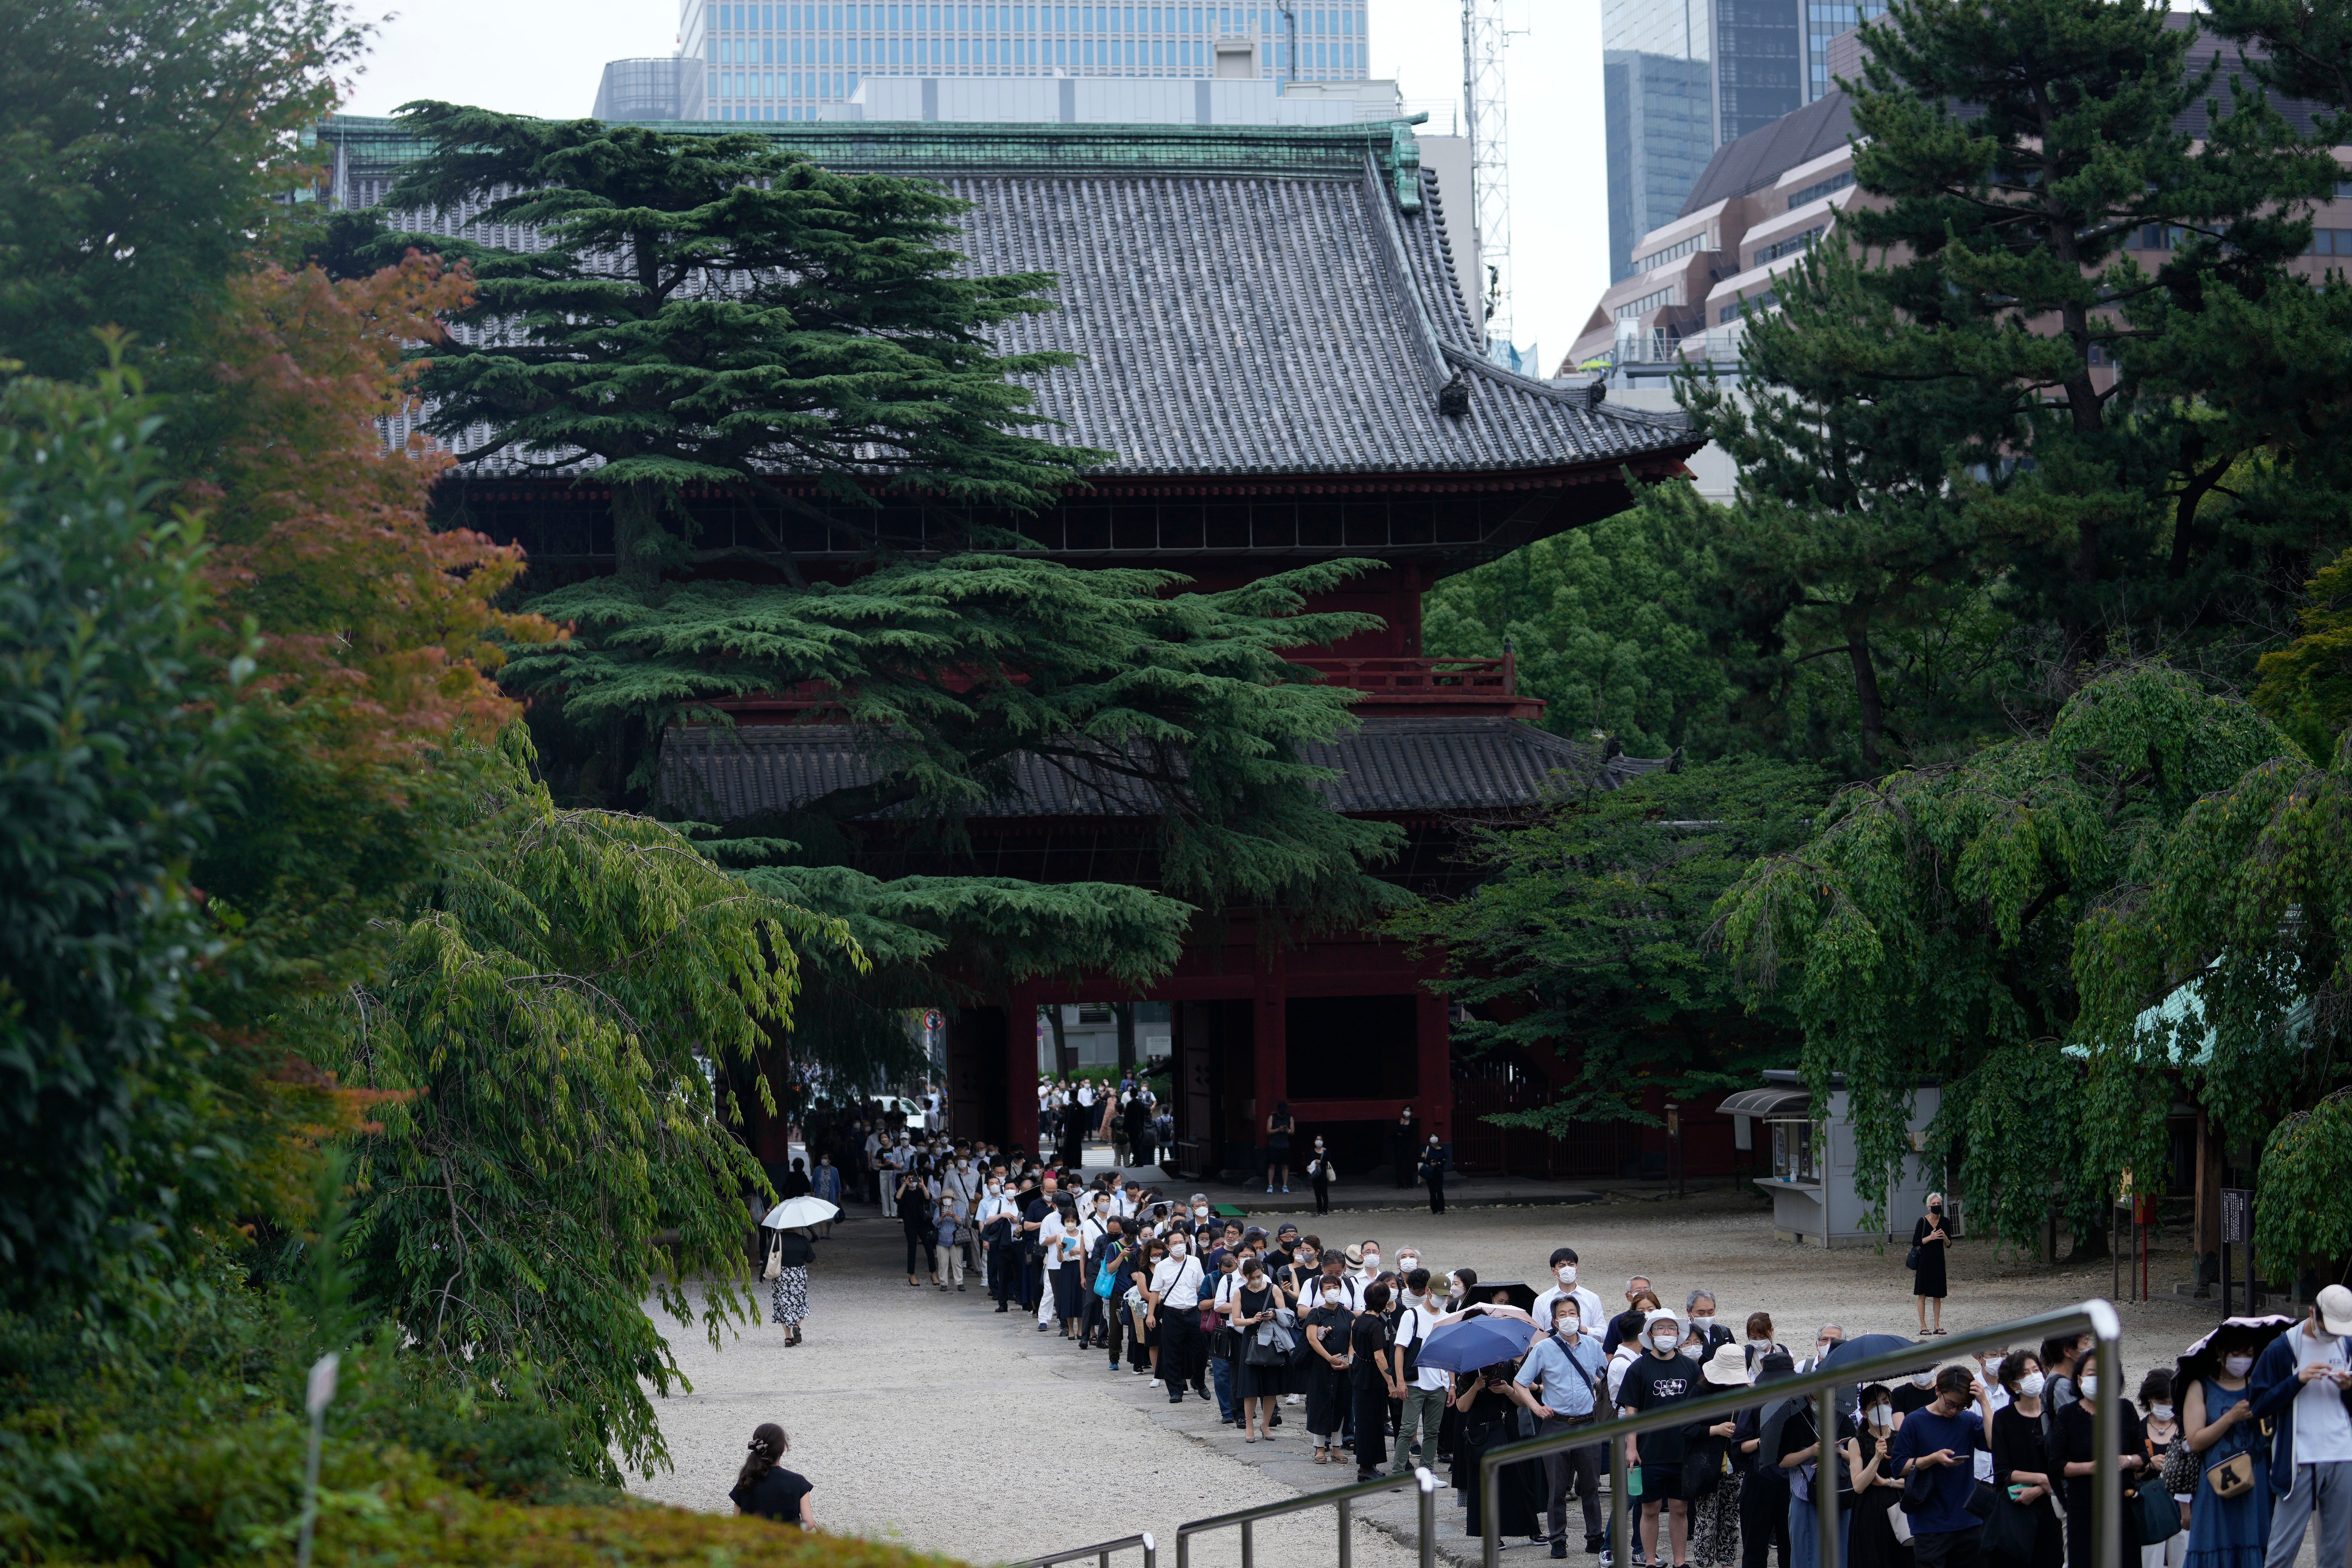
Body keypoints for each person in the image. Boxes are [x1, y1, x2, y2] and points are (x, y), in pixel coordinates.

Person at [2247, 1284, 2352, 1568]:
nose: (2333, 1334)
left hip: (2343, 1455)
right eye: (2327, 1326)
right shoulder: (2283, 1348)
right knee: (2282, 1552)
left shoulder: (2347, 1343)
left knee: (2337, 1552)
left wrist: (2348, 1388)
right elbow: (2257, 1405)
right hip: (2299, 1461)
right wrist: (2298, 1380)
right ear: (2311, 1313)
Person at [1516, 1296, 1612, 1558]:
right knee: (1557, 1488)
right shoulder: (1544, 1349)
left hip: (1588, 1425)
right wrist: (1536, 1408)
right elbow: (1520, 1383)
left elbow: (1609, 1379)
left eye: (1573, 1312)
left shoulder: (1593, 1346)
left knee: (1591, 1486)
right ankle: (1558, 1539)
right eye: (1563, 1314)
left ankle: (1595, 1537)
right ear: (1555, 1320)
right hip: (1555, 1425)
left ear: (1580, 1318)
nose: (1569, 1317)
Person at [2182, 1325, 2275, 1568]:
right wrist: (2230, 1418)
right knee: (2214, 1544)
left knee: (2256, 1544)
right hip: (2217, 1481)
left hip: (2257, 1483)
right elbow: (2194, 1441)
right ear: (2221, 1353)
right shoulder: (2200, 1387)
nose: (2243, 1360)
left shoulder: (2260, 1385)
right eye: (2237, 1354)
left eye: (2249, 1353)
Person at [1621, 1308, 1701, 1568]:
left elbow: (1700, 1409)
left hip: (1683, 1451)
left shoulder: (1691, 1368)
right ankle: (1651, 1562)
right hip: (1649, 1451)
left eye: (1671, 1329)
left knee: (1680, 1509)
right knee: (1650, 1509)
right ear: (1650, 1334)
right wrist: (1631, 1448)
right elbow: (1630, 1412)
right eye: (1660, 1328)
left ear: (1679, 1334)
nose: (1666, 1333)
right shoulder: (1638, 1369)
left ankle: (1680, 1562)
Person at [1892, 1365, 1995, 1568]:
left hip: (1968, 1521)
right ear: (1938, 1391)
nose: (1954, 1410)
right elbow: (1898, 1467)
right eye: (1950, 1404)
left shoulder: (1967, 1420)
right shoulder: (1914, 1421)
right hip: (1929, 1524)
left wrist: (1984, 1402)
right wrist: (1932, 1459)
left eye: (1961, 1406)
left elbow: (1994, 1444)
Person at [2055, 1349, 2146, 1568]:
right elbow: (2056, 1464)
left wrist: (2127, 1461)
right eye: (2092, 1373)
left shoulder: (2125, 1409)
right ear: (2079, 1380)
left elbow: (2143, 1455)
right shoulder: (2067, 1414)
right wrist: (2092, 1467)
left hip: (2122, 1504)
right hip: (2082, 1507)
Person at [1989, 1350, 2064, 1568]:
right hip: (2018, 1507)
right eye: (2026, 1374)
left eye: (2036, 1370)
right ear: (2014, 1385)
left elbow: (2064, 1463)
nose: (2034, 1376)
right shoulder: (2004, 1418)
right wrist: (2041, 1478)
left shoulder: (2056, 1415)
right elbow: (2002, 1471)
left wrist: (2041, 1488)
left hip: (2053, 1506)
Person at [1689, 1345, 1753, 1568]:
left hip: (1736, 1464)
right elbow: (1686, 1428)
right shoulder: (1701, 1391)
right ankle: (1704, 1564)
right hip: (1706, 1462)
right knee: (1706, 1518)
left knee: (1730, 1519)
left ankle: (1727, 1563)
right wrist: (1716, 1429)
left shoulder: (1746, 1392)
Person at [1735, 1351, 1796, 1568]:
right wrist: (1763, 1440)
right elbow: (1740, 1446)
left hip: (1794, 1482)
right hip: (1760, 1479)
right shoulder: (1754, 1401)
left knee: (1791, 1549)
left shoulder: (1802, 1402)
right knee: (1754, 1548)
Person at [1847, 1382, 1912, 1568]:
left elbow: (1913, 1480)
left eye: (1886, 1402)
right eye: (1876, 1404)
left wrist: (1887, 1483)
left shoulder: (1902, 1437)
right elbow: (1858, 1486)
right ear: (1865, 1412)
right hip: (1870, 1511)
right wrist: (1876, 1458)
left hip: (1900, 1506)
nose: (1882, 1407)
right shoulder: (1857, 1442)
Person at [1393, 1269, 1449, 1476]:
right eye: (1438, 1295)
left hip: (1439, 1383)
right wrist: (1400, 1381)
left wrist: (1451, 1384)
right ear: (1428, 1291)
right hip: (1416, 1382)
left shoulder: (1448, 1318)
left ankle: (1427, 1471)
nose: (1441, 1300)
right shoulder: (1412, 1315)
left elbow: (1449, 1355)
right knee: (1408, 1430)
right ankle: (1398, 1472)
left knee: (1433, 1432)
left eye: (1445, 1296)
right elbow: (1400, 1349)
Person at [1148, 1229, 1207, 1405]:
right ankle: (1175, 1390)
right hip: (1172, 1313)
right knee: (1172, 1354)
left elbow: (1200, 1287)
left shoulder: (1195, 1262)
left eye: (1182, 1242)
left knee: (1201, 1351)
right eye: (1175, 1243)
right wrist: (1150, 1314)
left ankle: (1199, 1381)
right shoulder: (1162, 1267)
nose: (1179, 1246)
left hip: (1193, 1312)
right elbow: (1155, 1291)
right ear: (1168, 1247)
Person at [1230, 1256, 1284, 1442]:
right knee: (1250, 1387)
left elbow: (1284, 1314)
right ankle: (1250, 1427)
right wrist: (1252, 1320)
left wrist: (1273, 1314)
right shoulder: (1239, 1292)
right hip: (1251, 1339)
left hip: (1270, 1339)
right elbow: (1236, 1319)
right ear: (1246, 1276)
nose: (1257, 1279)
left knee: (1271, 1387)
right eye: (1252, 1277)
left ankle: (1266, 1425)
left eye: (1259, 1275)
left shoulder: (1273, 1288)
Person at [1351, 1279, 1401, 1480]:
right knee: (1371, 1422)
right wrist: (1391, 1383)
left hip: (1360, 1372)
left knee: (1365, 1422)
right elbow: (1380, 1357)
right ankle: (1366, 1468)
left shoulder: (1361, 1320)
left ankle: (1368, 1465)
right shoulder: (1375, 1326)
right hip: (1372, 1377)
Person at [1306, 1274, 1357, 1463]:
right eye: (1328, 1288)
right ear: (1321, 1292)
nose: (1332, 1291)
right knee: (1320, 1405)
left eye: (1335, 1287)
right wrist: (1329, 1358)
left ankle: (1337, 1447)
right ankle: (1320, 1447)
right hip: (1320, 1366)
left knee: (1341, 1404)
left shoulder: (1349, 1315)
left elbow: (1353, 1342)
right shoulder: (1316, 1313)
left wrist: (1348, 1361)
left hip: (1343, 1367)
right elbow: (1312, 1339)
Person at [2141, 1369, 2187, 1568]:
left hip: (2182, 1507)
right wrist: (2148, 1464)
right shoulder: (2138, 1429)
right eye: (2162, 1401)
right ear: (2150, 1399)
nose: (2168, 1407)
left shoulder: (2187, 1427)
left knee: (2183, 1561)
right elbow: (2126, 1471)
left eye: (2171, 1402)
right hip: (2151, 1509)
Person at [730, 1422, 813, 1528]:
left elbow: (735, 1524)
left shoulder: (747, 1479)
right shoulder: (798, 1482)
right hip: (787, 1543)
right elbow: (809, 1524)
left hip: (751, 1543)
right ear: (783, 1449)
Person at [1536, 1248, 1607, 1338]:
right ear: (1554, 1271)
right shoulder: (1542, 1301)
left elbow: (1603, 1334)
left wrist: (1582, 1330)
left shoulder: (1592, 1298)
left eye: (1571, 1265)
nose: (1567, 1269)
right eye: (1562, 1266)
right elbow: (1537, 1336)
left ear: (1577, 1269)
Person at [1911, 1193, 1952, 1335]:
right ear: (1929, 1207)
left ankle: (1937, 1325)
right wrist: (1931, 1237)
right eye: (1934, 1204)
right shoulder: (1922, 1221)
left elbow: (1949, 1244)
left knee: (1937, 1295)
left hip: (1938, 1260)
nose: (1937, 1206)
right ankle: (1923, 1325)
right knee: (1922, 1294)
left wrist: (1945, 1237)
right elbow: (1916, 1242)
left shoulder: (1946, 1222)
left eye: (1938, 1203)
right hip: (1925, 1261)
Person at [769, 1225, 815, 1347]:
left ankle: (788, 1338)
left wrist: (762, 1276)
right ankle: (797, 1325)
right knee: (801, 1303)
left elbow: (767, 1257)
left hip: (782, 1275)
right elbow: (810, 1259)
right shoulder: (803, 1239)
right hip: (799, 1274)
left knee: (782, 1305)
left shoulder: (777, 1239)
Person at [896, 1166, 937, 1288]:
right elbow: (897, 1198)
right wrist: (905, 1184)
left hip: (923, 1222)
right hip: (910, 1223)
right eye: (911, 1179)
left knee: (929, 1247)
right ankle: (912, 1275)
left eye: (915, 1179)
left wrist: (922, 1184)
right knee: (912, 1248)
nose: (913, 1181)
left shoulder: (920, 1191)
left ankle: (933, 1274)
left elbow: (928, 1197)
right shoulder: (904, 1192)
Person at [1266, 1101, 1295, 1194]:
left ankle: (1285, 1186)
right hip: (1274, 1145)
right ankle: (1270, 1186)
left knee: (1285, 1166)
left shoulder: (1290, 1118)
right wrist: (1278, 1130)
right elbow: (1268, 1131)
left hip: (1285, 1145)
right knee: (1272, 1165)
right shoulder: (1272, 1117)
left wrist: (1287, 1130)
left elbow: (1293, 1132)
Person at [809, 1153, 841, 1237]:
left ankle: (828, 1232)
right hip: (820, 1195)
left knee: (830, 1214)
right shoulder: (817, 1170)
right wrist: (811, 1193)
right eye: (822, 1158)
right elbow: (813, 1183)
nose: (823, 1160)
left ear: (830, 1160)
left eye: (825, 1158)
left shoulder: (834, 1171)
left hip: (830, 1196)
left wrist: (839, 1196)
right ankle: (822, 1232)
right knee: (821, 1213)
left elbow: (838, 1185)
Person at [1419, 1134, 1448, 1214]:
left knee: (1439, 1191)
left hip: (1439, 1172)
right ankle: (1434, 1209)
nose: (1434, 1138)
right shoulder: (1427, 1149)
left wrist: (1438, 1163)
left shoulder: (1442, 1150)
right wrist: (1430, 1163)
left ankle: (1441, 1209)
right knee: (1432, 1192)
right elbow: (1422, 1158)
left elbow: (1445, 1160)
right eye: (1432, 1137)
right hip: (1430, 1172)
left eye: (1435, 1136)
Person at [1391, 1106, 1419, 1188]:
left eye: (1408, 1111)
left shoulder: (1413, 1123)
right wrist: (1401, 1124)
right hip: (1399, 1146)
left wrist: (1402, 1134)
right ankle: (1400, 1183)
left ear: (1411, 1113)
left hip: (1409, 1146)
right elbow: (1395, 1133)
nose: (1406, 1112)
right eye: (1405, 1110)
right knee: (1399, 1165)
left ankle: (1409, 1183)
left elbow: (1412, 1134)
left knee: (1409, 1165)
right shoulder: (1399, 1122)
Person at [1308, 1137, 1336, 1215]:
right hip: (1315, 1175)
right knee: (1317, 1193)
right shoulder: (1312, 1151)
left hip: (1323, 1175)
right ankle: (1319, 1210)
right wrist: (1308, 1167)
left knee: (1324, 1193)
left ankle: (1325, 1210)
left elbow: (1329, 1162)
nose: (1318, 1141)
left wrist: (1321, 1162)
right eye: (1317, 1139)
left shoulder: (1326, 1151)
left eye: (1320, 1140)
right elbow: (1309, 1161)